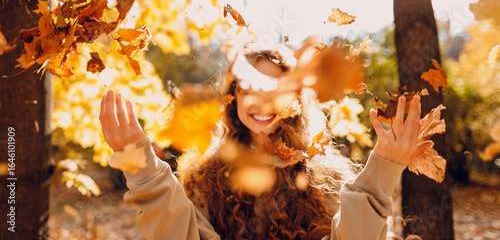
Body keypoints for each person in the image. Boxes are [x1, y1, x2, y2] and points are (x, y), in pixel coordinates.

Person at [99, 43, 432, 240]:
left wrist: (382, 171)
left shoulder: (327, 176)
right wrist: (143, 170)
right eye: (249, 91)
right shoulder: (204, 177)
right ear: (233, 98)